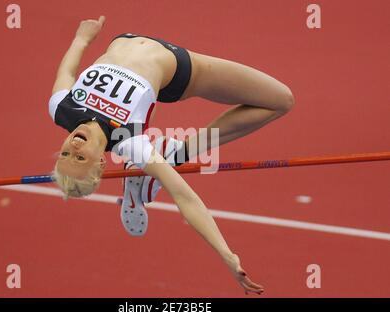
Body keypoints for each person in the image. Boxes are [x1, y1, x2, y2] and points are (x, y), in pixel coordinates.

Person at [48, 16, 294, 295]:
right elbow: (185, 197)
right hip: (179, 69)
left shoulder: (60, 109)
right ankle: (180, 154)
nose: (74, 148)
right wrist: (227, 254)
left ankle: (170, 155)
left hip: (128, 36)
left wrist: (82, 39)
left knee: (279, 99)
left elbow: (67, 74)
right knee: (280, 100)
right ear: (102, 161)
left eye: (65, 153)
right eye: (80, 159)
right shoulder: (130, 143)